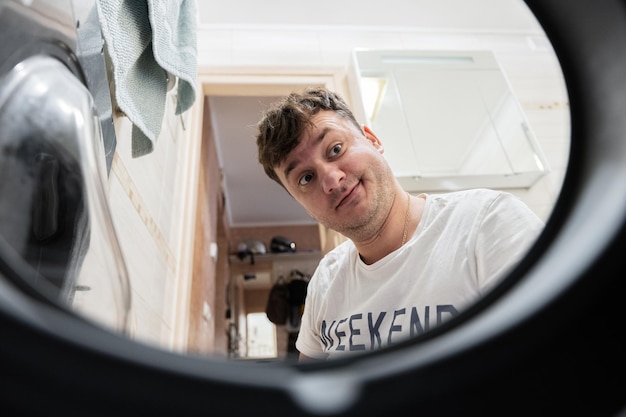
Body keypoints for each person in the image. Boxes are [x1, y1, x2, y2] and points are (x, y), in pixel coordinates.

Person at [255, 86, 544, 361]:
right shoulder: (325, 281)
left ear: (373, 140)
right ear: (302, 205)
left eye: (335, 149)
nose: (331, 180)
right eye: (306, 178)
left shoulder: (488, 221)